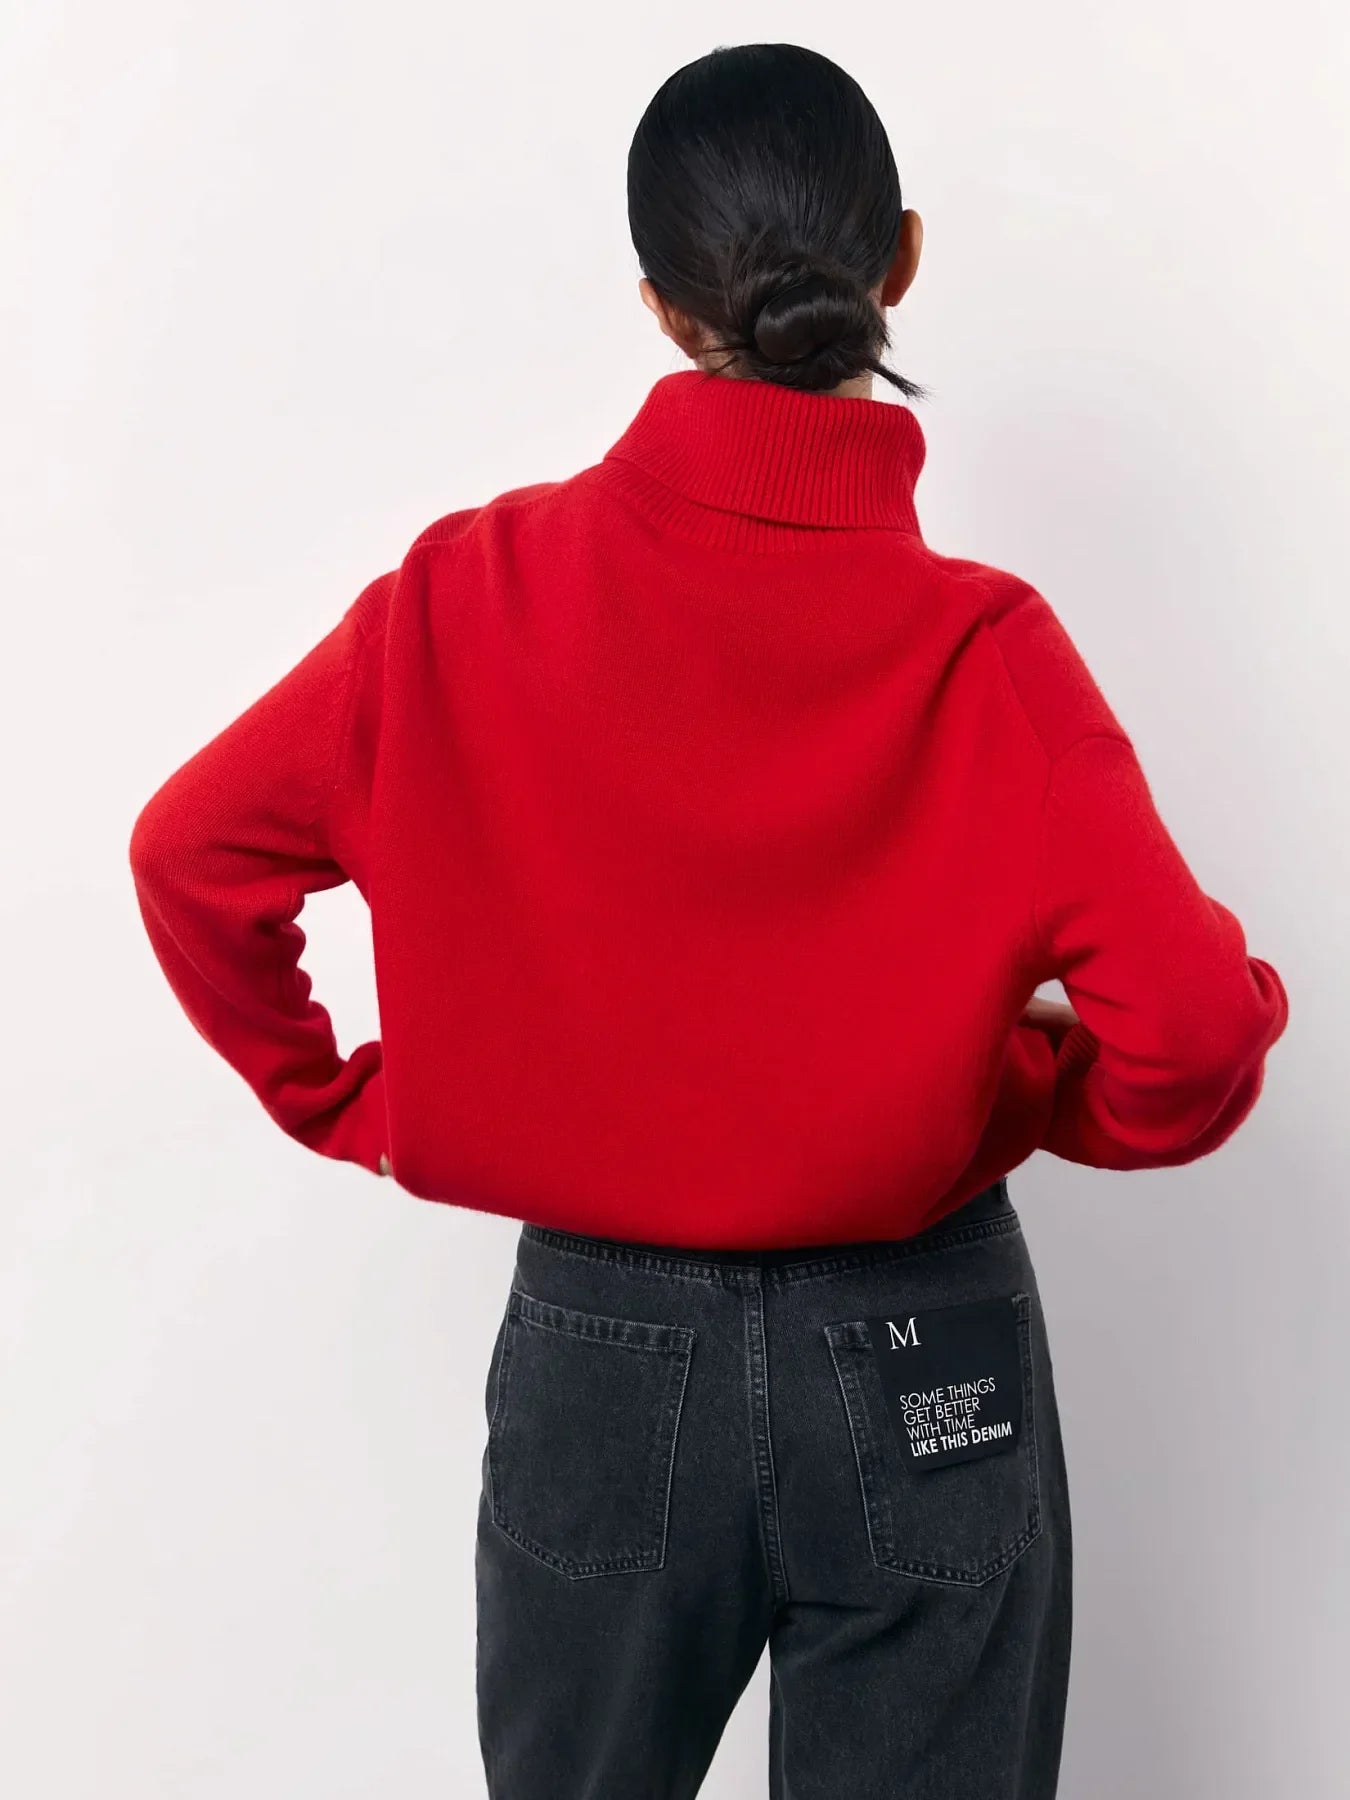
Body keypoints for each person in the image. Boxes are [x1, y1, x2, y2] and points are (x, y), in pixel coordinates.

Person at [127, 41, 1288, 1800]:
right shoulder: (984, 651)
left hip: (602, 1354)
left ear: (660, 307)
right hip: (918, 1332)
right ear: (898, 261)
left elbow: (188, 853)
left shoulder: (462, 597)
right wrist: (1035, 1090)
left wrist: (353, 1103)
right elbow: (1194, 1033)